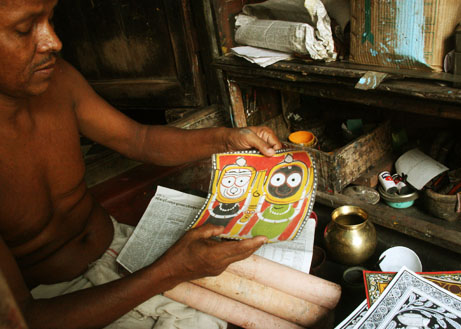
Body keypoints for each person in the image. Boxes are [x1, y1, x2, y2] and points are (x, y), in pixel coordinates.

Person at [0, 0, 283, 328]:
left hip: (119, 245)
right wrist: (170, 271)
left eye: (50, 19)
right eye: (24, 29)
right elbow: (26, 318)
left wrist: (227, 139)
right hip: (60, 298)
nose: (54, 42)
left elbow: (139, 140)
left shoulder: (60, 82)